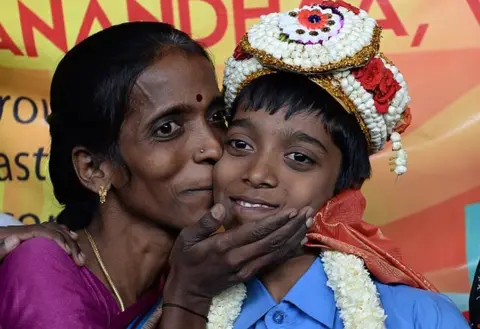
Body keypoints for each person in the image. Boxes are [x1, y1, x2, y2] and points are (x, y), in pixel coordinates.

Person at [128, 2, 470, 328]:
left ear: (343, 185)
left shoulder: (420, 318)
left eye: (300, 158)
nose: (258, 174)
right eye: (240, 145)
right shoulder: (172, 311)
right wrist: (186, 299)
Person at [0, 22, 313, 329]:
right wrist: (187, 297)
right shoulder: (41, 265)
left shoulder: (199, 270)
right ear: (94, 169)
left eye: (218, 117)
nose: (213, 147)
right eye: (167, 129)